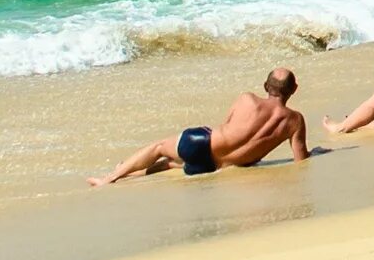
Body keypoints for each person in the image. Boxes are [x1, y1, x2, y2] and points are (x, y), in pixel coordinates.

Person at [91, 69, 309, 184]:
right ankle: (127, 172)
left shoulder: (247, 99)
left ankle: (112, 177)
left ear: (265, 86)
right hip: (217, 166)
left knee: (159, 147)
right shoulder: (295, 121)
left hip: (201, 144)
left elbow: (227, 125)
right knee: (168, 165)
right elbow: (301, 160)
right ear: (294, 89)